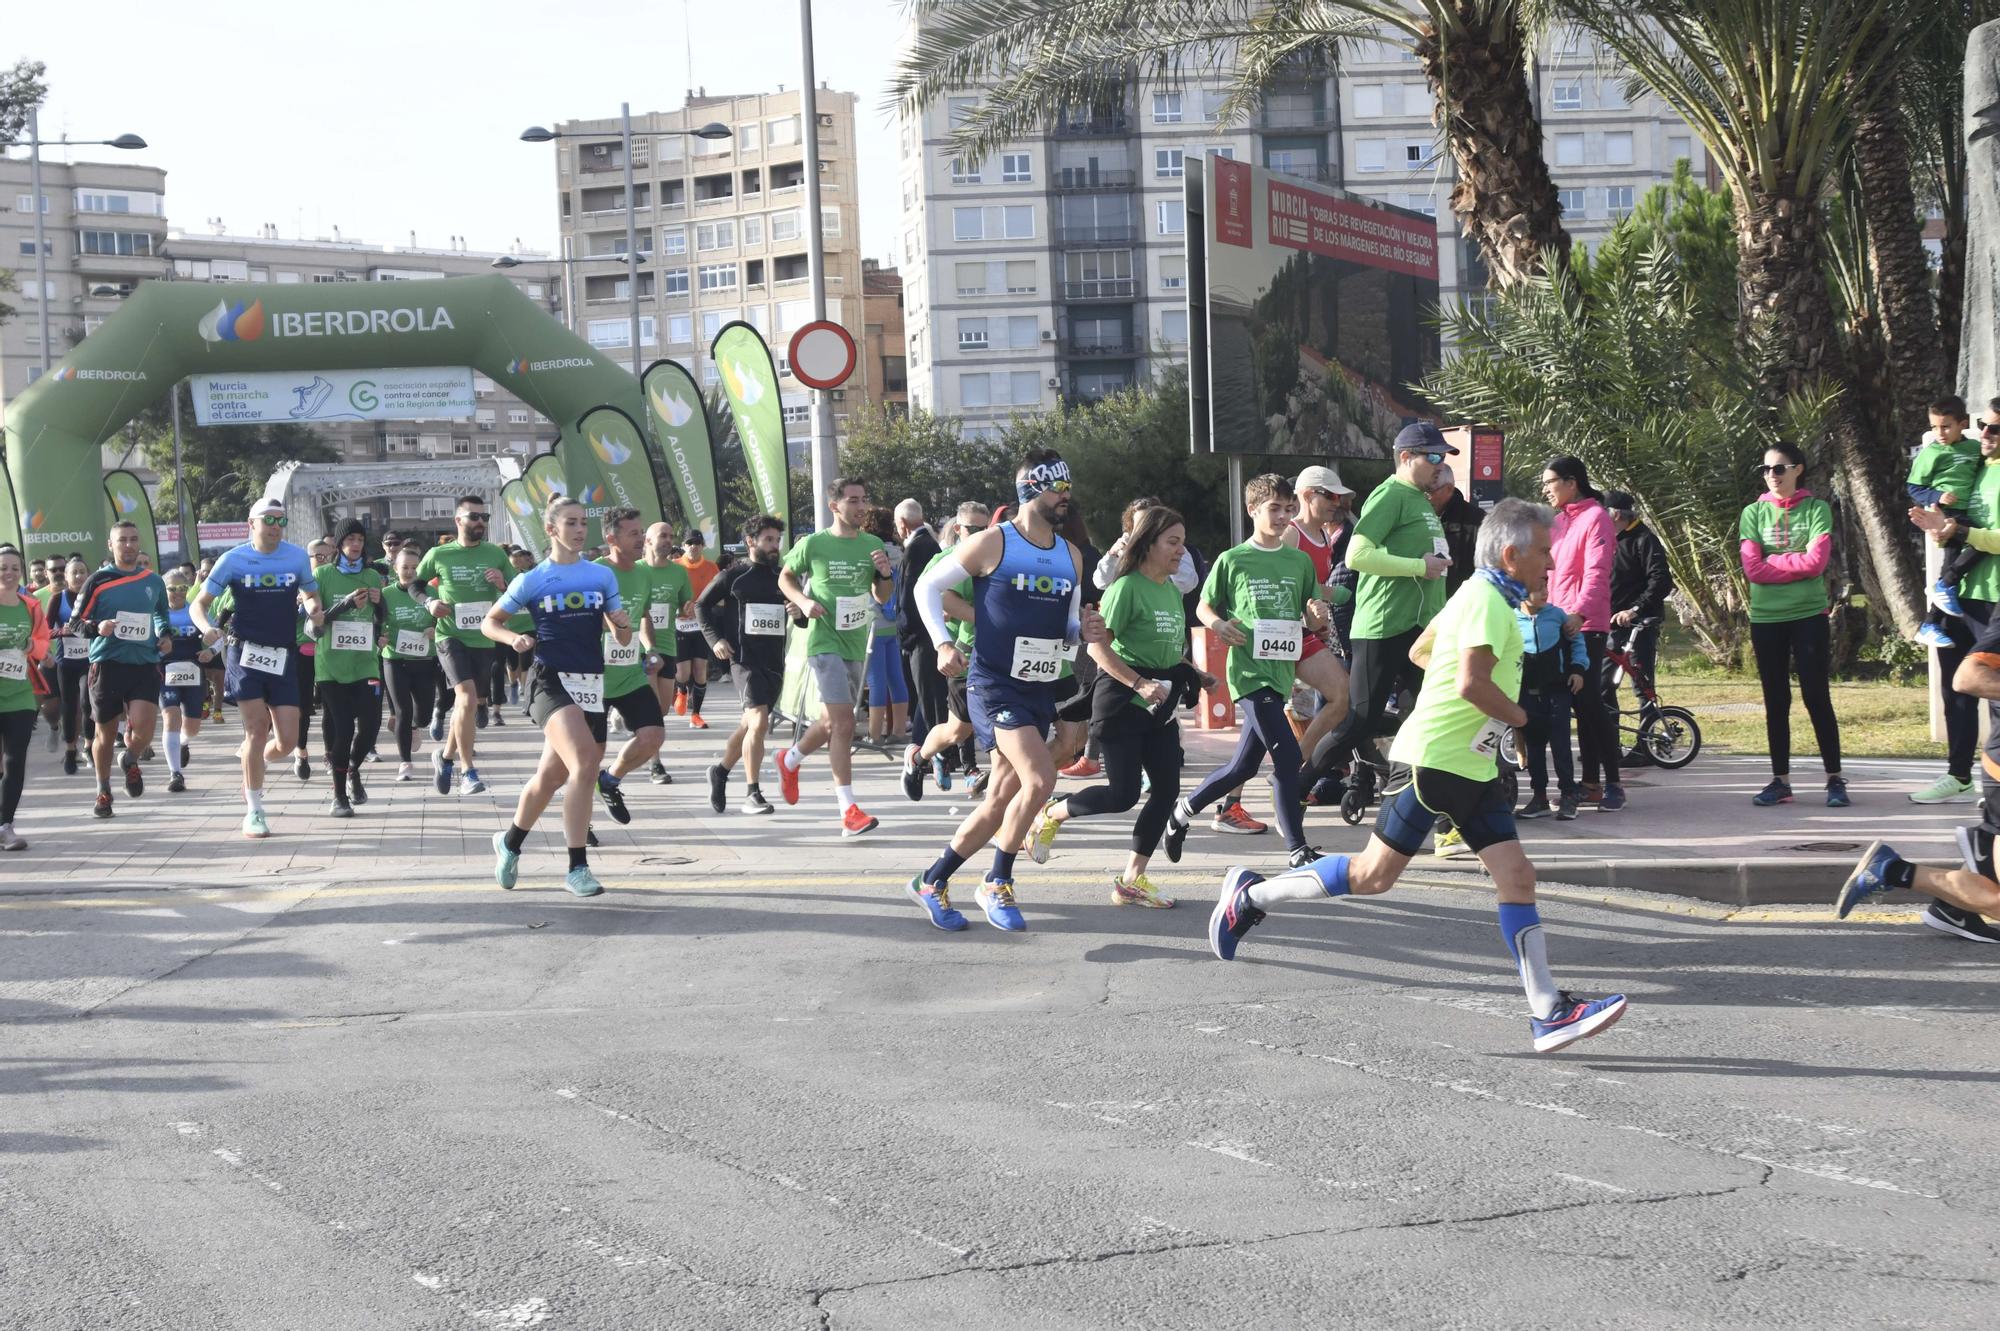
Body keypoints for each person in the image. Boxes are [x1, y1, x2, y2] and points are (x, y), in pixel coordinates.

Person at [1205, 499, 1631, 1053]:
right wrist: (1521, 719)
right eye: (1545, 553)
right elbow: (1472, 684)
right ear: (1511, 554)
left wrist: (1471, 704)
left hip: (1468, 763)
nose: (1551, 564)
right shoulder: (1486, 601)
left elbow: (1423, 651)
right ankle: (1252, 897)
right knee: (1372, 875)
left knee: (1517, 876)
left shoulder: (1480, 597)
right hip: (1434, 761)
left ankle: (1548, 1011)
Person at [905, 449, 1103, 931]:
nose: (1065, 498)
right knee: (1040, 778)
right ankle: (997, 881)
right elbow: (926, 588)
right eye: (1058, 488)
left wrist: (1088, 629)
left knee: (1000, 799)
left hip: (1038, 686)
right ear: (1031, 488)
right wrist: (942, 642)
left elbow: (1069, 629)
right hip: (993, 683)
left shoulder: (1071, 554)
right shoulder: (995, 542)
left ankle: (932, 881)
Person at [1025, 505, 1202, 907]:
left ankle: (1131, 880)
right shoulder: (1125, 588)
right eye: (1173, 542)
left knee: (1166, 790)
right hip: (1122, 699)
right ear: (1148, 544)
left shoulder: (1171, 591)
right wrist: (1139, 683)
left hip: (1160, 702)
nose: (1181, 551)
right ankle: (1052, 813)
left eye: (1183, 543)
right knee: (1122, 795)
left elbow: (1166, 650)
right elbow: (1099, 648)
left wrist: (1193, 671)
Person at [1162, 473, 1330, 869]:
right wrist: (1218, 625)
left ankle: (1182, 812)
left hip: (1282, 672)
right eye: (1274, 508)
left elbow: (1310, 616)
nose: (1283, 516)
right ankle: (1296, 849)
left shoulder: (1299, 560)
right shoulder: (1232, 559)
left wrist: (1316, 615)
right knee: (1287, 758)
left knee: (1244, 766)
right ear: (1253, 510)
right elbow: (1204, 607)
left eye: (1289, 509)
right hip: (1250, 674)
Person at [487, 496, 631, 898]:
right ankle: (576, 868)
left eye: (583, 522)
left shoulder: (601, 577)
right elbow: (489, 622)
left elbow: (621, 634)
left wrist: (622, 627)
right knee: (586, 762)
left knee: (551, 777)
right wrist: (513, 637)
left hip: (590, 682)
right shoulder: (533, 578)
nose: (580, 530)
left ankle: (510, 842)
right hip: (548, 680)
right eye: (571, 523)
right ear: (551, 530)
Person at [1305, 425, 1453, 807]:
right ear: (1406, 458)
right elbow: (1357, 555)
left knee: (1429, 715)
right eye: (1433, 457)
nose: (1440, 465)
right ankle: (1294, 784)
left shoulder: (1421, 500)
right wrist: (1419, 567)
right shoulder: (1389, 495)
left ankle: (1418, 801)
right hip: (1384, 627)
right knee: (1361, 720)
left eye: (1444, 457)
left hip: (1420, 631)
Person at [191, 498, 325, 839]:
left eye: (281, 520)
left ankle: (253, 763)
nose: (276, 526)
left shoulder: (296, 557)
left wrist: (312, 607)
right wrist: (206, 628)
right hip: (243, 652)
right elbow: (199, 604)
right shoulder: (232, 560)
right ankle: (254, 808)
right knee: (255, 728)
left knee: (287, 742)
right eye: (269, 520)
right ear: (252, 524)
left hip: (283, 654)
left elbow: (311, 594)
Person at [777, 477, 895, 835]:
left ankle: (790, 758)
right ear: (835, 506)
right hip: (823, 641)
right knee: (844, 723)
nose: (862, 507)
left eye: (864, 499)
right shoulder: (814, 544)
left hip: (855, 641)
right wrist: (803, 601)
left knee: (831, 723)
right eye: (854, 500)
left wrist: (886, 572)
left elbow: (882, 597)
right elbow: (785, 577)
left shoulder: (873, 544)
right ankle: (848, 811)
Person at [1738, 442, 1845, 808]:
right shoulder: (1752, 513)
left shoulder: (1817, 510)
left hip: (1809, 615)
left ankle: (1834, 779)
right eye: (1766, 469)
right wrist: (1792, 562)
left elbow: (1817, 564)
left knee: (1816, 696)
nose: (1772, 475)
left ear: (1798, 469)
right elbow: (1752, 568)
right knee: (1776, 700)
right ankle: (1780, 780)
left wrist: (1774, 563)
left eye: (1779, 468)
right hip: (1766, 618)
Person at [1912, 402, 2000, 805]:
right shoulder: (1977, 467)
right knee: (1955, 689)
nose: (1985, 435)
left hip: (1995, 600)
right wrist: (1942, 532)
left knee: (1992, 690)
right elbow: (1954, 528)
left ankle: (1995, 782)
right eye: (1983, 426)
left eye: (1994, 430)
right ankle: (1959, 775)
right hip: (1961, 598)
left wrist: (1961, 532)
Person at [1543, 455, 1626, 811]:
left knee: (1592, 702)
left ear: (1572, 482)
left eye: (1551, 482)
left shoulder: (1597, 519)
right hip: (1558, 624)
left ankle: (1614, 784)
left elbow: (1596, 571)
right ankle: (1589, 783)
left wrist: (1579, 612)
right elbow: (1549, 571)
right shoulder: (1559, 522)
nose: (1546, 490)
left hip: (1587, 625)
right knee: (1577, 704)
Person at [74, 520, 173, 819]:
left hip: (143, 663)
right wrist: (97, 627)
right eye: (122, 540)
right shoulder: (98, 581)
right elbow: (75, 623)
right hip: (107, 665)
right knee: (104, 733)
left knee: (144, 728)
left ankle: (129, 758)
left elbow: (161, 615)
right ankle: (103, 790)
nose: (128, 545)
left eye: (133, 539)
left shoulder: (153, 581)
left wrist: (165, 636)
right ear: (111, 545)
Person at [416, 496, 513, 797]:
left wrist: (502, 584)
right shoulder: (439, 553)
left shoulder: (496, 555)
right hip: (450, 636)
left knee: (468, 706)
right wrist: (430, 602)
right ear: (458, 521)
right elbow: (413, 584)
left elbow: (516, 592)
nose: (480, 522)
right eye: (474, 517)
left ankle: (444, 757)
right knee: (467, 697)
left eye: (484, 516)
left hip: (484, 637)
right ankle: (467, 771)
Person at [698, 515, 789, 814]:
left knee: (751, 723)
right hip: (743, 659)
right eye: (768, 540)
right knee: (760, 721)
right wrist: (715, 641)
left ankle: (720, 771)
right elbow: (702, 606)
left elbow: (797, 618)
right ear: (751, 541)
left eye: (777, 540)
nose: (775, 546)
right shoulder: (733, 576)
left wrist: (798, 613)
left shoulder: (784, 575)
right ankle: (752, 793)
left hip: (773, 661)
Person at [900, 503, 987, 801]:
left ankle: (975, 775)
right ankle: (921, 757)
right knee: (955, 729)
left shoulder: (997, 555)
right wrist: (943, 640)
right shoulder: (945, 559)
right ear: (958, 530)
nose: (979, 535)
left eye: (984, 529)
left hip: (996, 654)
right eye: (973, 529)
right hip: (954, 649)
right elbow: (926, 595)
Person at [591, 508, 669, 827]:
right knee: (587, 757)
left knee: (653, 736)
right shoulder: (594, 571)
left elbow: (645, 616)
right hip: (592, 679)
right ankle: (582, 824)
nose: (641, 539)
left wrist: (651, 648)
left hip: (630, 675)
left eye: (641, 533)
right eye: (633, 533)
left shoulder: (642, 574)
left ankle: (609, 780)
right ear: (612, 538)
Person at [1283, 467, 1356, 805]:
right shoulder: (1291, 534)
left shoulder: (1326, 536)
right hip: (1281, 636)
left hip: (1308, 635)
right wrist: (1329, 595)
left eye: (1339, 497)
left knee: (1341, 695)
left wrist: (1325, 606)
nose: (1336, 503)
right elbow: (1279, 586)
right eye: (1330, 496)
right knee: (1257, 731)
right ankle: (1233, 803)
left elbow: (1313, 591)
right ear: (1308, 495)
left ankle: (1294, 768)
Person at [314, 520, 388, 817]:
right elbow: (313, 624)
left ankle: (353, 769)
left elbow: (382, 617)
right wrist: (343, 605)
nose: (355, 545)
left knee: (370, 729)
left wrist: (380, 605)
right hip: (331, 665)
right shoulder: (322, 575)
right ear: (338, 544)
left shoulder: (372, 575)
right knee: (343, 729)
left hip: (365, 662)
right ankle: (339, 796)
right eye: (350, 539)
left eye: (359, 539)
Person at [1603, 488, 1673, 761]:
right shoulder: (1609, 539)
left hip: (1637, 625)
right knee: (1603, 684)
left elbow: (1661, 581)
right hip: (1608, 625)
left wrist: (1634, 610)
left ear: (1616, 514)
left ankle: (1645, 746)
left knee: (1641, 685)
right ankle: (1608, 743)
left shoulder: (1644, 540)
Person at [1909, 395, 1983, 649]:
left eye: (1945, 426)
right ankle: (1942, 590)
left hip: (1968, 511)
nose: (1939, 433)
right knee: (1982, 541)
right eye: (1934, 427)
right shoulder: (1932, 453)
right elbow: (1914, 487)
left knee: (1951, 567)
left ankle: (1929, 623)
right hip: (1948, 515)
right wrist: (1938, 496)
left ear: (1963, 424)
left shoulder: (1974, 447)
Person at [1513, 580, 1587, 822]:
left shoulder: (1557, 615)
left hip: (1558, 691)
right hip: (1527, 693)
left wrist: (1577, 669)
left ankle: (1568, 794)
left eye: (1546, 586)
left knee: (1561, 745)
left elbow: (1577, 642)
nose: (1545, 591)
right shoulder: (1510, 617)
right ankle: (1539, 797)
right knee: (1534, 746)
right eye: (1538, 587)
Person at [0, 546, 52, 851]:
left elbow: (44, 646)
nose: (8, 573)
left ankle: (6, 826)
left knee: (15, 760)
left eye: (14, 568)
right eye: (3, 567)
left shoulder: (30, 606)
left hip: (21, 694)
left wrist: (30, 645)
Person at [380, 544, 440, 782]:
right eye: (405, 567)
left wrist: (435, 628)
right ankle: (405, 762)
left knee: (423, 715)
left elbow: (446, 621)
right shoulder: (386, 595)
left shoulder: (431, 594)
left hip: (425, 660)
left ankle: (417, 727)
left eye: (415, 567)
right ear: (396, 569)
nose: (410, 571)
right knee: (402, 711)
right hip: (395, 659)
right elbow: (377, 622)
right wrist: (380, 636)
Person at [642, 521, 694, 782]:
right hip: (641, 647)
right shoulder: (635, 571)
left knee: (662, 709)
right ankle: (656, 764)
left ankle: (629, 716)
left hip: (668, 646)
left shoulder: (678, 573)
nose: (667, 539)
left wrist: (688, 608)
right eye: (662, 535)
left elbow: (685, 608)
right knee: (650, 709)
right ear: (648, 540)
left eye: (670, 535)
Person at [158, 569, 215, 794]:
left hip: (194, 672)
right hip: (166, 673)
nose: (178, 593)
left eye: (182, 588)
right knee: (170, 718)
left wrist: (210, 651)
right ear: (164, 591)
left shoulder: (195, 611)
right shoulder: (158, 614)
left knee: (192, 727)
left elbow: (217, 637)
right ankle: (175, 773)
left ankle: (182, 742)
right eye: (172, 589)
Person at [895, 499, 945, 750]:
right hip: (927, 634)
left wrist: (906, 634)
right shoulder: (930, 545)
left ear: (902, 524)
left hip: (921, 637)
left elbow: (910, 598)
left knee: (927, 698)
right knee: (927, 697)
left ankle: (931, 751)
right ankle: (925, 746)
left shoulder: (917, 548)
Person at [865, 507, 911, 746]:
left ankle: (874, 734)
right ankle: (900, 730)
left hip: (873, 622)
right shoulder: (901, 553)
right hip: (895, 623)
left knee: (876, 681)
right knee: (896, 678)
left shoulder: (871, 553)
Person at [48, 558, 92, 776]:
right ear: (66, 577)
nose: (78, 577)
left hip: (88, 660)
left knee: (87, 701)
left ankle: (89, 746)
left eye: (82, 572)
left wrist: (92, 628)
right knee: (68, 705)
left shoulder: (93, 598)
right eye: (74, 573)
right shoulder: (58, 599)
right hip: (65, 661)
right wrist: (62, 631)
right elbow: (44, 631)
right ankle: (69, 749)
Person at [673, 531, 720, 726]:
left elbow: (718, 595)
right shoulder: (674, 567)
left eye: (698, 543)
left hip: (702, 625)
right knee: (683, 673)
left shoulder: (711, 567)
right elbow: (667, 595)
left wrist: (702, 608)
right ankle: (682, 690)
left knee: (700, 670)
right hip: (680, 625)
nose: (694, 546)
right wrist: (679, 609)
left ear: (703, 546)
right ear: (683, 546)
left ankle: (696, 715)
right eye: (690, 543)